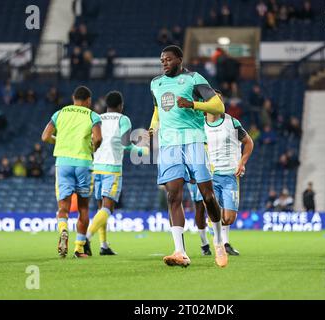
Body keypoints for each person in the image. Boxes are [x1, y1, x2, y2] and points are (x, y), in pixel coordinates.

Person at [148, 45, 228, 268]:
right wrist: (153, 126)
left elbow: (218, 106)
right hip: (169, 145)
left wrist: (193, 104)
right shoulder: (156, 83)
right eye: (162, 59)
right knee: (173, 196)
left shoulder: (193, 78)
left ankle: (219, 241)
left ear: (180, 60)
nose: (164, 63)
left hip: (193, 141)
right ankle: (180, 251)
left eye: (169, 59)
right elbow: (157, 111)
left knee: (207, 195)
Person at [41, 86, 102, 258]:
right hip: (83, 163)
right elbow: (98, 138)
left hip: (63, 163)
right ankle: (79, 249)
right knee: (83, 208)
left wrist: (59, 142)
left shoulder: (59, 113)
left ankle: (63, 230)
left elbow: (45, 137)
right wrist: (93, 149)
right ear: (88, 101)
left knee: (63, 207)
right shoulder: (93, 115)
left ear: (73, 98)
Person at [85, 91, 148, 256]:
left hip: (95, 167)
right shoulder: (123, 119)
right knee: (108, 208)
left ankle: (104, 245)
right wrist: (142, 151)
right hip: (111, 169)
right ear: (121, 106)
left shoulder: (96, 118)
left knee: (100, 208)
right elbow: (126, 145)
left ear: (107, 105)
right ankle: (86, 237)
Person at [202, 90, 254, 255]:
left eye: (219, 100)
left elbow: (248, 142)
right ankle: (221, 244)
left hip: (230, 175)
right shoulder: (199, 124)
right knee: (213, 210)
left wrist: (242, 162)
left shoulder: (232, 123)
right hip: (210, 175)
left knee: (229, 218)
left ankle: (220, 239)